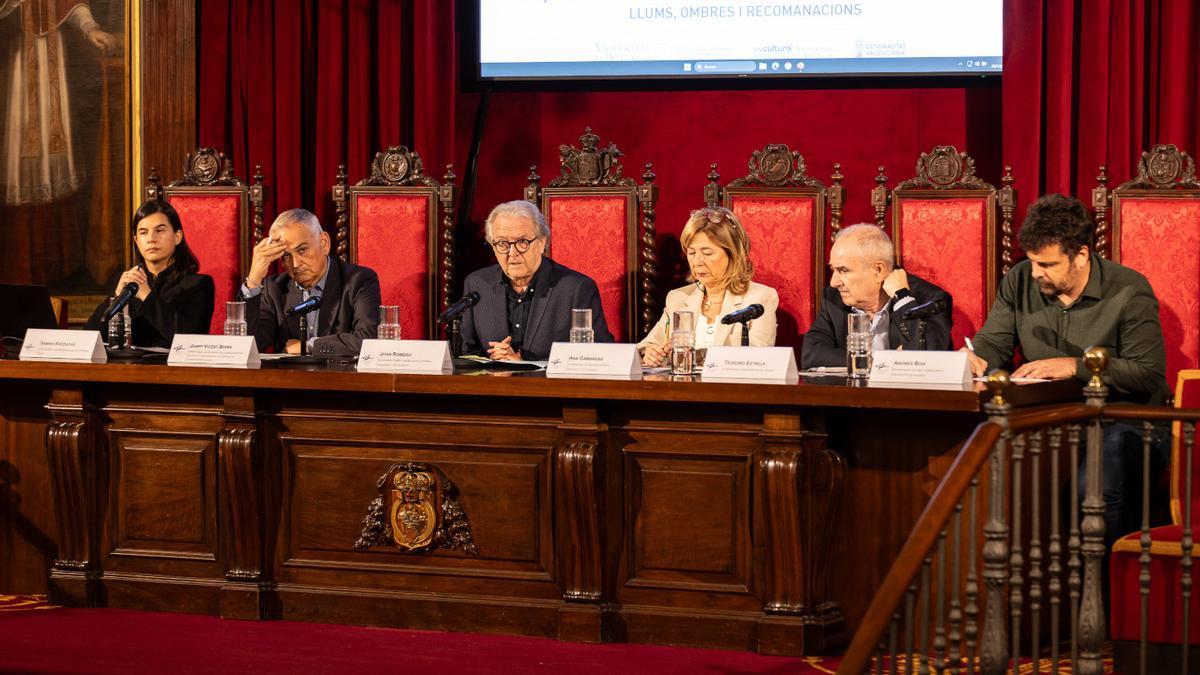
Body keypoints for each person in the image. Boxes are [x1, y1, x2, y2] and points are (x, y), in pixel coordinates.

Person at [966, 193, 1169, 544]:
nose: (1035, 273)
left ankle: (1102, 592)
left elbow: (1146, 373)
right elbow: (995, 344)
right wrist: (972, 357)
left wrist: (1074, 366)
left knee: (1091, 490)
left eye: (1047, 265)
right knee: (993, 477)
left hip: (1126, 419)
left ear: (1081, 255)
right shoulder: (1019, 280)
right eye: (1032, 262)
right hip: (1049, 416)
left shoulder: (1129, 290)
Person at [459, 200, 613, 361]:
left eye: (522, 242)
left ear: (542, 242)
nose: (512, 253)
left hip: (550, 385)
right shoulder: (477, 284)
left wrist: (523, 364)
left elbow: (599, 358)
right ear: (492, 246)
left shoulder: (576, 289)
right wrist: (493, 365)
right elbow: (467, 353)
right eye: (502, 243)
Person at [638, 206, 778, 365]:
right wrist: (650, 353)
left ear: (732, 253)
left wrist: (696, 356)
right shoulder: (678, 297)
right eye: (691, 253)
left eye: (707, 253)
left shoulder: (760, 298)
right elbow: (644, 347)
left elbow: (758, 358)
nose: (697, 262)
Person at [801, 223, 952, 369]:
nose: (834, 282)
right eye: (833, 269)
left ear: (878, 270)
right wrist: (881, 361)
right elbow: (811, 354)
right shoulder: (833, 299)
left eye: (843, 270)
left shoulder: (930, 300)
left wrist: (903, 299)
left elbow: (932, 358)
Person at [239, 208, 380, 356]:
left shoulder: (359, 280)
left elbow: (369, 339)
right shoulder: (274, 288)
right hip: (290, 377)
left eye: (302, 250)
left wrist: (309, 346)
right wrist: (254, 279)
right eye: (286, 255)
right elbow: (249, 346)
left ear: (324, 243)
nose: (295, 264)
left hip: (341, 376)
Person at [85, 199, 214, 347]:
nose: (151, 239)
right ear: (137, 241)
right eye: (143, 232)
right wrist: (116, 297)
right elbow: (89, 337)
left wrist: (147, 296)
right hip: (125, 367)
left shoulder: (199, 284)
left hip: (172, 368)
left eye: (159, 230)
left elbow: (191, 340)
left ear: (177, 237)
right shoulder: (128, 283)